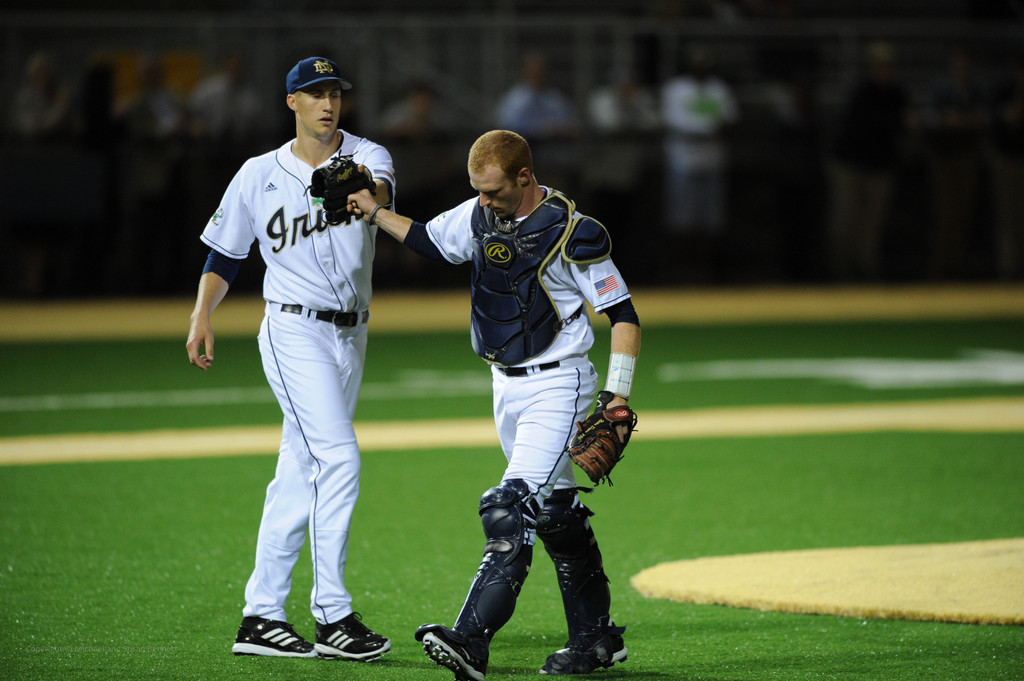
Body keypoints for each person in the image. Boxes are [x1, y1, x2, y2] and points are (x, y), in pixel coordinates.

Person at [345, 129, 641, 680]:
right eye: (476, 190)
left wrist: (617, 395)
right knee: (554, 514)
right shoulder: (482, 213)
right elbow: (431, 240)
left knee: (510, 509)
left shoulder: (572, 233)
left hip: (560, 383)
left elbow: (622, 315)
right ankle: (597, 639)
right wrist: (372, 210)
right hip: (505, 385)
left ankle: (470, 641)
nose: (482, 201)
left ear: (524, 177)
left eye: (493, 190)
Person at [185, 56, 395, 661]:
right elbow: (225, 256)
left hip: (351, 337)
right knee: (339, 457)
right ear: (292, 103)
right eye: (315, 93)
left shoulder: (368, 155)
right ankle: (333, 615)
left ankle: (261, 617)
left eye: (335, 92)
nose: (328, 102)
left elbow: (379, 191)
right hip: (292, 330)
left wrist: (360, 191)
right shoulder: (257, 174)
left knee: (297, 474)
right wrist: (203, 314)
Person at [826, 42, 916, 282]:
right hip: (851, 165)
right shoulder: (862, 92)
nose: (884, 70)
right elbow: (861, 129)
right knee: (846, 220)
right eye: (880, 65)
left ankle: (867, 272)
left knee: (872, 223)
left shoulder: (897, 94)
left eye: (888, 65)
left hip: (880, 166)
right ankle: (841, 273)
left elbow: (907, 124)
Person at [659, 46, 739, 282]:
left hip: (713, 161)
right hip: (683, 161)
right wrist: (706, 129)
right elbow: (672, 122)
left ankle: (708, 272)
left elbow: (731, 120)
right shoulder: (676, 88)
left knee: (712, 220)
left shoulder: (718, 88)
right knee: (681, 219)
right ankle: (680, 271)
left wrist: (701, 130)